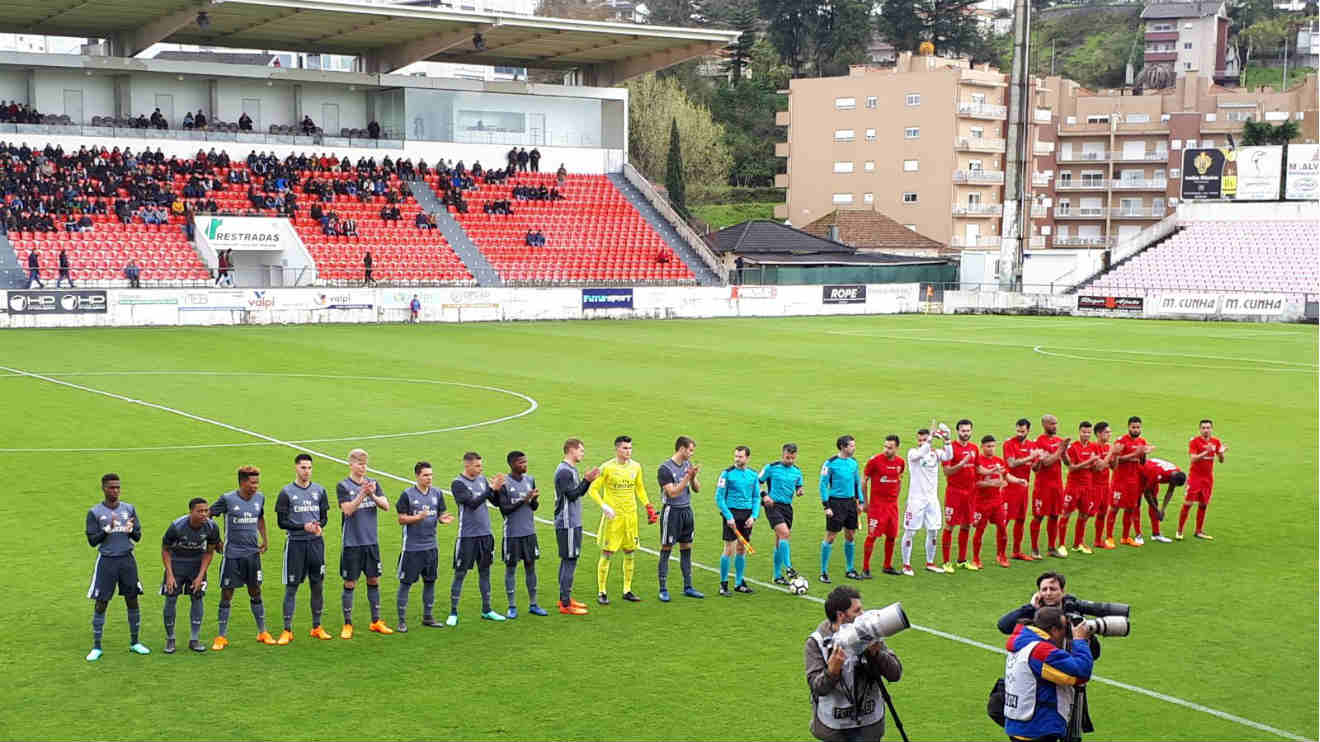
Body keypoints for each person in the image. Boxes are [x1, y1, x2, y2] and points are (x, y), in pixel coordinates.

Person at [804, 586, 903, 742]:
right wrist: (832, 672)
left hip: (869, 725)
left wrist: (876, 655)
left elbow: (895, 673)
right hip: (834, 729)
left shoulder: (868, 633)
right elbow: (817, 688)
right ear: (841, 615)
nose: (862, 615)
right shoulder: (816, 642)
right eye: (857, 611)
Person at [209, 466, 276, 650]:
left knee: (255, 591)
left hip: (252, 555)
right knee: (227, 594)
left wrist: (265, 538)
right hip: (232, 555)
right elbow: (208, 515)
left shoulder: (260, 498)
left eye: (257, 482)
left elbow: (260, 518)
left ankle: (262, 632)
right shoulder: (227, 499)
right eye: (252, 482)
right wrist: (215, 540)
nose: (256, 486)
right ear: (243, 482)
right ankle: (221, 636)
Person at [1003, 606, 1094, 742]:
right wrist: (1080, 640)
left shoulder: (1022, 641)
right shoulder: (1039, 650)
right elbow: (1081, 672)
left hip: (1020, 725)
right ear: (1054, 630)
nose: (1066, 633)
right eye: (1064, 628)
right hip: (1037, 728)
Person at [85, 473, 149, 661]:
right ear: (103, 488)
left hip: (127, 560)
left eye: (118, 487)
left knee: (132, 598)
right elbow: (91, 541)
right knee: (101, 602)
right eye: (111, 487)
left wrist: (132, 530)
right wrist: (107, 529)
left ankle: (135, 642)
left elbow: (137, 536)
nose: (115, 491)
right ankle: (97, 646)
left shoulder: (129, 509)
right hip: (107, 561)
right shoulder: (95, 512)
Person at [587, 435, 656, 604]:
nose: (628, 451)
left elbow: (639, 488)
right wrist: (603, 505)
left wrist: (648, 506)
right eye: (625, 448)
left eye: (630, 448)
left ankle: (627, 590)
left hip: (630, 517)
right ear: (617, 449)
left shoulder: (636, 467)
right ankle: (602, 591)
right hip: (613, 518)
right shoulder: (607, 468)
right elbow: (593, 489)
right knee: (607, 552)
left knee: (630, 552)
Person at [336, 448, 393, 638]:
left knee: (374, 579)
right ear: (351, 464)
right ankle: (347, 624)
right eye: (360, 463)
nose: (363, 467)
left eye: (365, 464)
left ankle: (376, 621)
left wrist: (372, 495)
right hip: (352, 543)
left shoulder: (374, 484)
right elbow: (348, 510)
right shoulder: (343, 486)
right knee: (350, 582)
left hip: (371, 542)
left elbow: (386, 506)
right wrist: (362, 494)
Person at [275, 453, 331, 644]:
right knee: (292, 588)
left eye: (309, 468)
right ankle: (287, 630)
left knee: (317, 586)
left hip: (316, 544)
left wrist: (319, 525)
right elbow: (281, 522)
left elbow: (324, 517)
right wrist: (302, 527)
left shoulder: (320, 491)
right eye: (303, 468)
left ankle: (317, 627)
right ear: (296, 468)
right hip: (296, 545)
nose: (306, 471)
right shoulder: (286, 492)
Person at [395, 461, 452, 632]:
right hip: (412, 549)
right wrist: (418, 518)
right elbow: (401, 519)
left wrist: (442, 519)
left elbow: (440, 513)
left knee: (430, 582)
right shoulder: (407, 494)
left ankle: (428, 617)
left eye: (431, 475)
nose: (429, 478)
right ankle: (401, 621)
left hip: (431, 547)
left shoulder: (437, 493)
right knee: (406, 584)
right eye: (426, 475)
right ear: (417, 476)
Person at [449, 451, 506, 624]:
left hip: (485, 535)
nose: (481, 469)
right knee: (460, 573)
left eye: (481, 465)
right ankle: (453, 613)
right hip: (467, 536)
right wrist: (490, 489)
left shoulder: (482, 480)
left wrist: (497, 490)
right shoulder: (458, 484)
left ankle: (487, 610)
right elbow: (472, 504)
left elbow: (495, 502)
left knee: (485, 572)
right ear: (467, 466)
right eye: (477, 466)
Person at [160, 497, 220, 654]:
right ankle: (170, 639)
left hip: (196, 564)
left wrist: (201, 575)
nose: (204, 514)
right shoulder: (177, 526)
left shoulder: (212, 527)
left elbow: (209, 551)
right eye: (199, 511)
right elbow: (165, 549)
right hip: (176, 563)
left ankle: (194, 639)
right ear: (191, 512)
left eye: (206, 511)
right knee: (171, 597)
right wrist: (170, 575)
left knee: (197, 597)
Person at [492, 451, 544, 618]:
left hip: (529, 532)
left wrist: (534, 500)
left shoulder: (530, 480)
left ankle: (534, 604)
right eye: (521, 462)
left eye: (525, 461)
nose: (525, 465)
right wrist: (524, 500)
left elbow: (534, 507)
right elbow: (505, 510)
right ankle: (512, 606)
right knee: (511, 569)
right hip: (512, 534)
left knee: (531, 567)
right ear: (512, 464)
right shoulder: (505, 484)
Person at [553, 438, 601, 615]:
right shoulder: (564, 472)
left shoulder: (570, 469)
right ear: (571, 450)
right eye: (581, 449)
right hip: (567, 523)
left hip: (572, 522)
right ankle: (565, 604)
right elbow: (573, 495)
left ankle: (564, 599)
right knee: (570, 560)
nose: (583, 453)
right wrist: (587, 481)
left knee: (568, 560)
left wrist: (586, 481)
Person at [657, 435, 703, 601]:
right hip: (672, 512)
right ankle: (663, 589)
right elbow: (673, 492)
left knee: (686, 548)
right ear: (681, 449)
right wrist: (686, 477)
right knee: (666, 549)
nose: (691, 453)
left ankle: (688, 586)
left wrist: (692, 477)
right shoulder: (665, 469)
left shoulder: (687, 465)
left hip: (686, 511)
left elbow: (697, 489)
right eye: (690, 450)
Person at [900, 427, 950, 575]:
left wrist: (947, 438)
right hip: (916, 500)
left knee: (933, 531)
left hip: (932, 499)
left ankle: (930, 562)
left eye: (925, 439)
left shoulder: (936, 454)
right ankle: (906, 565)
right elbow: (921, 453)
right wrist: (929, 440)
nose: (922, 443)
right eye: (920, 440)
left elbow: (949, 456)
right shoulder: (913, 453)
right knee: (910, 532)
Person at [715, 445, 760, 596]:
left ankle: (739, 582)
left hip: (747, 515)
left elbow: (756, 497)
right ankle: (723, 584)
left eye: (740, 456)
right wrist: (728, 517)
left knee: (742, 549)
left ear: (747, 458)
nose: (737, 459)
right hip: (732, 514)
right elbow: (719, 497)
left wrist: (754, 516)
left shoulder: (753, 475)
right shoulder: (726, 474)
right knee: (729, 549)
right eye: (736, 456)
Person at [820, 435, 864, 583]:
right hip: (836, 504)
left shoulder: (853, 463)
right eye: (851, 445)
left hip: (850, 503)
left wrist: (861, 502)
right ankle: (824, 571)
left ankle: (850, 569)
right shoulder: (830, 464)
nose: (854, 448)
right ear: (843, 447)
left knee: (851, 535)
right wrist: (826, 506)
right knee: (831, 536)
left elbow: (857, 483)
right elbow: (823, 485)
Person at [971, 435, 1019, 569]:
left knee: (1002, 528)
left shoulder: (999, 461)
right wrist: (993, 483)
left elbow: (1006, 476)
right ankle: (976, 558)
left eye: (993, 446)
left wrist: (1018, 480)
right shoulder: (978, 461)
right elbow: (977, 484)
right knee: (980, 530)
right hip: (981, 502)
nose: (991, 449)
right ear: (982, 447)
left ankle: (1001, 555)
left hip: (997, 501)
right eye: (988, 446)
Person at [760, 442, 805, 584]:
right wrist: (764, 495)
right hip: (772, 505)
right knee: (785, 534)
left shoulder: (797, 471)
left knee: (780, 540)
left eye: (792, 458)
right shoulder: (771, 468)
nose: (790, 460)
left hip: (787, 508)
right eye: (787, 458)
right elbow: (756, 482)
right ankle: (789, 567)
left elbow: (799, 485)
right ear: (782, 455)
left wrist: (799, 490)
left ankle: (777, 576)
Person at [862, 435, 905, 577]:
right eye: (885, 446)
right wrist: (865, 502)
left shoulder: (900, 462)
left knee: (892, 536)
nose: (886, 450)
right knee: (872, 535)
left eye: (890, 447)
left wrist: (896, 497)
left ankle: (887, 565)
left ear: (897, 448)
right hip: (877, 506)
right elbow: (864, 481)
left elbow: (899, 480)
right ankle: (865, 568)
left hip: (892, 506)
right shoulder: (875, 461)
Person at [1029, 415, 1070, 559]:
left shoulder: (1059, 441)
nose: (1055, 426)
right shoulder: (1038, 442)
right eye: (1052, 424)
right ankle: (1034, 549)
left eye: (1056, 423)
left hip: (1057, 486)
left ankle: (1052, 548)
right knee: (1039, 516)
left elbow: (1067, 463)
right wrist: (1060, 450)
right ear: (1044, 424)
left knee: (1054, 516)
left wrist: (1064, 451)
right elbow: (1046, 463)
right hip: (1043, 486)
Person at [1107, 416, 1153, 547]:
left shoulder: (1142, 441)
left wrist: (1144, 454)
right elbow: (1115, 459)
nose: (1136, 429)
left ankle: (1125, 537)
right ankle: (1109, 537)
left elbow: (1142, 462)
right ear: (1128, 427)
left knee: (1130, 508)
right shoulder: (1121, 441)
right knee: (1115, 508)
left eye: (1138, 427)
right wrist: (1135, 454)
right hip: (1120, 481)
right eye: (1133, 427)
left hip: (1134, 481)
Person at [941, 419, 979, 572]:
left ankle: (962, 560)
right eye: (963, 431)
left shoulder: (974, 448)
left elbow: (978, 469)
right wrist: (962, 462)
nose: (966, 433)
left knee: (966, 525)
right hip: (954, 493)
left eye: (968, 430)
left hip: (970, 493)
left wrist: (994, 473)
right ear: (957, 431)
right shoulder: (950, 449)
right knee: (949, 525)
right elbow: (947, 471)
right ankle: (946, 562)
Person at [1180, 419, 1225, 541]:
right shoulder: (1195, 442)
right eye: (1204, 428)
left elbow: (1221, 460)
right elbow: (1193, 459)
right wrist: (1206, 451)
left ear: (1212, 429)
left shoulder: (1216, 441)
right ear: (1200, 429)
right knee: (1188, 503)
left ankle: (1198, 531)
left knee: (1204, 504)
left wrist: (1220, 453)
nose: (1206, 430)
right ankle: (1179, 531)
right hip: (1195, 477)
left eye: (1208, 427)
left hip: (1208, 478)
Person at [1060, 422, 1098, 556]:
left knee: (1084, 515)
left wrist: (1092, 464)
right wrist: (1090, 461)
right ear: (1079, 432)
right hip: (1073, 486)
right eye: (1084, 432)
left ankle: (1078, 544)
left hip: (1088, 486)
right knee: (1066, 514)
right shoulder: (1073, 447)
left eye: (1088, 432)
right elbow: (1072, 468)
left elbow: (1094, 467)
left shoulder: (1094, 447)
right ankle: (1061, 545)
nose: (1086, 435)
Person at [1003, 419, 1038, 561]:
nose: (1019, 433)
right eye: (1018, 430)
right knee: (1004, 521)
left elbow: (1035, 467)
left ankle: (1016, 551)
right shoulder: (1009, 444)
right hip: (1010, 487)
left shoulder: (1032, 445)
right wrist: (1030, 457)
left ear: (1028, 430)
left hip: (1024, 488)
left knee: (1021, 519)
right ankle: (1001, 553)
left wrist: (1040, 459)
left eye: (1022, 431)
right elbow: (1011, 463)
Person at [1139, 456, 1186, 543]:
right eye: (1172, 483)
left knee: (1154, 502)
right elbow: (1146, 493)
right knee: (1136, 502)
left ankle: (1156, 534)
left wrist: (1163, 509)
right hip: (1141, 472)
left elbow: (1170, 491)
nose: (1172, 484)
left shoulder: (1177, 473)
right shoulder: (1157, 473)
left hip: (1153, 472)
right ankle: (1138, 535)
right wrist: (1157, 510)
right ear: (1171, 478)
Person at [1089, 422, 1117, 550]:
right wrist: (1111, 453)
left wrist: (1115, 455)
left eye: (1110, 432)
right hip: (1094, 486)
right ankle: (1078, 542)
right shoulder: (1093, 447)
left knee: (1102, 513)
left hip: (1106, 485)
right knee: (1087, 514)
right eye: (1107, 432)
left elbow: (1114, 467)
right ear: (1099, 434)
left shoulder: (1108, 448)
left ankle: (1098, 541)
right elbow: (1098, 467)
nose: (1109, 434)